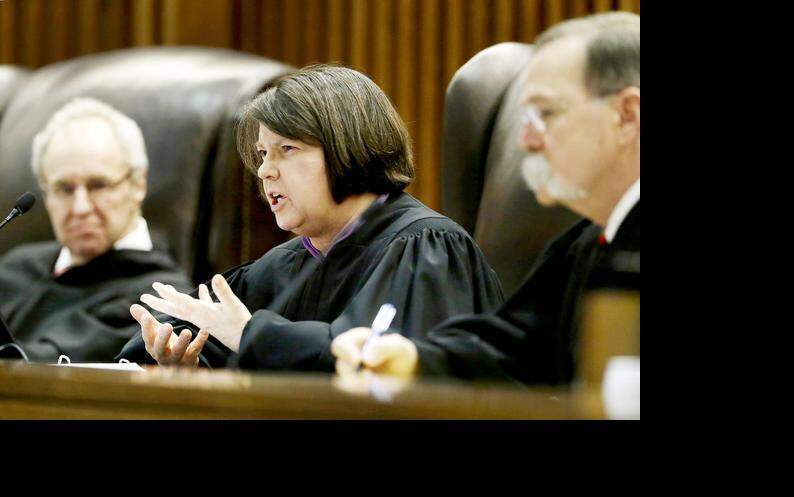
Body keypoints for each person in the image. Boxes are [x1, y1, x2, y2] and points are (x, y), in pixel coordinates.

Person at [116, 64, 503, 371]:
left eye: (287, 148)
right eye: (263, 154)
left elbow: (384, 372)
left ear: (350, 148)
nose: (265, 170)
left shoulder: (426, 249)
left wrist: (253, 335)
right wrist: (179, 357)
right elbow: (216, 345)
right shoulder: (280, 267)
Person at [332, 12, 640, 385]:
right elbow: (515, 348)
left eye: (545, 113)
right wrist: (410, 357)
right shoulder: (590, 239)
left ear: (627, 116)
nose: (525, 140)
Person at [0, 98, 191, 363]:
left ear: (138, 185)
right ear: (45, 193)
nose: (80, 208)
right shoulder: (16, 267)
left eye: (98, 185)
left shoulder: (159, 300)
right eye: (64, 189)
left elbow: (42, 368)